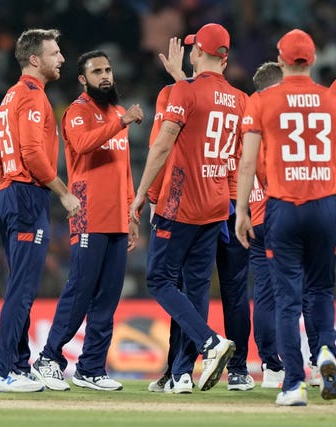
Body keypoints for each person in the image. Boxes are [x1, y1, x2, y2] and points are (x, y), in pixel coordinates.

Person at [236, 29, 336, 406]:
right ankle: (325, 351)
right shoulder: (335, 101)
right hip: (324, 204)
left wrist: (241, 209)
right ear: (313, 58)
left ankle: (292, 384)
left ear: (282, 59)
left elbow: (248, 163)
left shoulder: (262, 101)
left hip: (282, 207)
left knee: (287, 300)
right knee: (321, 290)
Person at [131, 23, 244, 393]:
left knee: (159, 279)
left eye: (194, 47)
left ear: (199, 53)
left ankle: (210, 342)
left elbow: (162, 146)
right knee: (194, 290)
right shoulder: (239, 99)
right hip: (216, 203)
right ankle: (181, 374)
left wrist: (140, 195)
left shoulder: (184, 91)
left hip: (181, 202)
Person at [31, 50, 143, 392]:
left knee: (108, 296)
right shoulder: (78, 112)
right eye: (97, 71)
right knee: (80, 290)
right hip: (89, 214)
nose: (106, 75)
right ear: (83, 79)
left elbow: (124, 169)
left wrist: (132, 212)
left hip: (117, 219)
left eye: (108, 69)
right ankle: (48, 357)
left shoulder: (117, 112)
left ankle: (92, 367)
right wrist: (120, 124)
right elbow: (80, 146)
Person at [0, 28, 81, 393]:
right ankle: (1, 370)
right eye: (55, 53)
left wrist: (12, 181)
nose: (61, 59)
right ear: (35, 60)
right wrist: (62, 192)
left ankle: (20, 365)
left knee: (19, 284)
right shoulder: (33, 97)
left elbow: (0, 157)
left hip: (8, 191)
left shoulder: (10, 97)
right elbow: (31, 153)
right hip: (26, 193)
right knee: (23, 289)